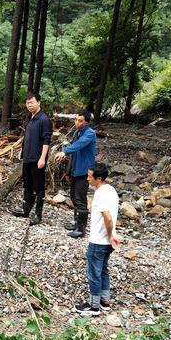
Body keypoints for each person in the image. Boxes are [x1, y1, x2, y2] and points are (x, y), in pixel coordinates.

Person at [74, 163, 121, 316]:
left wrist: (109, 235)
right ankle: (104, 301)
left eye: (89, 176)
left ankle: (94, 306)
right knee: (104, 270)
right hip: (108, 241)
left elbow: (107, 217)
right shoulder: (112, 190)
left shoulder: (101, 194)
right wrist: (112, 236)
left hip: (100, 240)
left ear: (98, 178)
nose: (87, 179)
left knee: (94, 272)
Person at [11, 92, 52, 225]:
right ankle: (25, 209)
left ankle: (38, 215)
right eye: (27, 103)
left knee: (38, 187)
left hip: (37, 159)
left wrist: (42, 158)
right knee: (27, 185)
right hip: (27, 158)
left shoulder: (44, 119)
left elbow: (47, 140)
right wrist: (22, 153)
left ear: (39, 102)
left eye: (32, 102)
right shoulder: (31, 119)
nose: (29, 105)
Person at [55, 110, 96, 238]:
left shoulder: (90, 134)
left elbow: (78, 146)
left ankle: (81, 228)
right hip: (75, 170)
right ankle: (76, 222)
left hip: (84, 171)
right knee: (73, 197)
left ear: (87, 122)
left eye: (80, 121)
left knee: (80, 199)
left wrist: (64, 151)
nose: (77, 122)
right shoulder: (77, 133)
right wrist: (68, 170)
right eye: (76, 120)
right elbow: (74, 154)